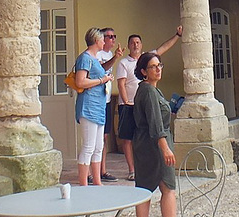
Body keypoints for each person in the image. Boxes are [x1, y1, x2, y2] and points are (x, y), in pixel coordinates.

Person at [132, 51, 190, 217]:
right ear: (143, 72)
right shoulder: (148, 91)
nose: (158, 69)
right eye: (153, 66)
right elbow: (156, 124)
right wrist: (165, 148)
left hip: (143, 145)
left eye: (159, 65)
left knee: (144, 190)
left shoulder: (147, 90)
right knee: (168, 189)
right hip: (155, 145)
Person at [116, 26, 184, 181]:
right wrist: (126, 101)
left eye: (138, 42)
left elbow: (164, 47)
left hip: (146, 101)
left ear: (141, 44)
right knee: (128, 137)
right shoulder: (124, 63)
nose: (135, 45)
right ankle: (132, 169)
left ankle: (145, 168)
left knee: (148, 131)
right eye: (132, 42)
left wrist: (177, 35)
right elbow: (121, 83)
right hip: (131, 104)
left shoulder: (148, 58)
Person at [74, 27, 115, 187]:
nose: (105, 41)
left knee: (99, 146)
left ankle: (97, 181)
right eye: (102, 38)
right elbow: (80, 82)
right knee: (89, 146)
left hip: (99, 106)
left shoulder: (95, 58)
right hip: (89, 107)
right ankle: (83, 183)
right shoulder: (85, 58)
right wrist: (101, 80)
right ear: (96, 40)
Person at [95, 27, 124, 182]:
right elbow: (101, 69)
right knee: (96, 137)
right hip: (97, 100)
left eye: (114, 36)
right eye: (109, 36)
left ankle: (102, 170)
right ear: (102, 38)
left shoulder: (108, 54)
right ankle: (92, 172)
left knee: (104, 137)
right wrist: (115, 58)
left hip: (106, 99)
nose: (113, 39)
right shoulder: (98, 54)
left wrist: (114, 57)